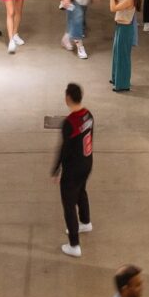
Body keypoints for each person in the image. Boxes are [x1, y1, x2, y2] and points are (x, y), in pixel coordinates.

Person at [53, 82, 95, 257]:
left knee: (69, 205)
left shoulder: (70, 122)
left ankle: (74, 245)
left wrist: (56, 169)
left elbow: (64, 149)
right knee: (81, 192)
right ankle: (85, 222)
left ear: (68, 98)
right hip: (87, 163)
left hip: (73, 169)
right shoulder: (89, 116)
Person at [108, 0, 138, 93]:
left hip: (125, 29)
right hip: (121, 27)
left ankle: (123, 84)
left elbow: (113, 8)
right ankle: (117, 79)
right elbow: (118, 2)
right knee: (117, 54)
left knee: (123, 57)